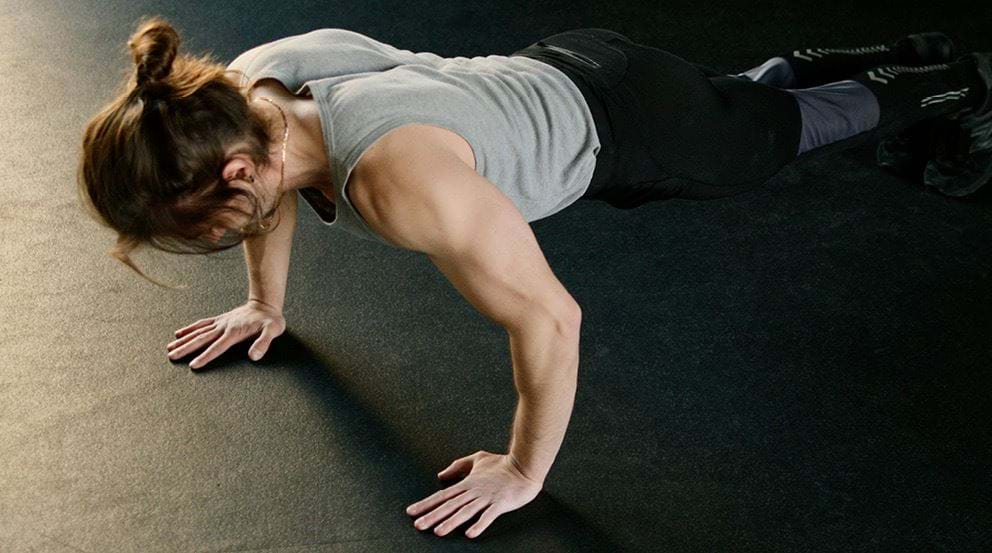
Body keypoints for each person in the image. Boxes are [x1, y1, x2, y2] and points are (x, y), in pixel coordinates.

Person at [76, 15, 991, 541]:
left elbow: (552, 318)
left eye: (197, 223)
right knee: (741, 99)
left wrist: (521, 468)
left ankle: (951, 86)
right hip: (574, 63)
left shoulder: (402, 185)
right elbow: (265, 201)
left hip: (637, 131)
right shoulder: (254, 85)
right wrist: (264, 303)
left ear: (233, 171)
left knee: (787, 134)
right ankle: (873, 65)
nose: (213, 234)